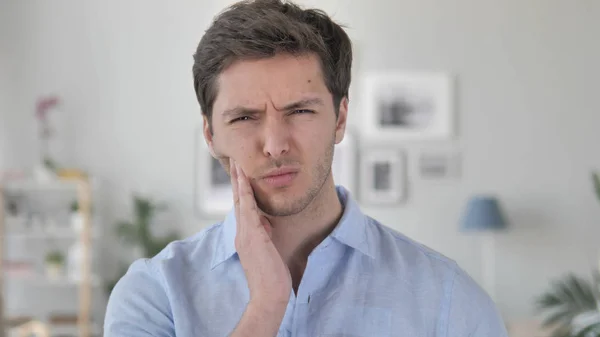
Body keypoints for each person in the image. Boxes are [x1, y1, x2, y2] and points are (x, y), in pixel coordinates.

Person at [104, 0, 508, 336]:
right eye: (244, 118)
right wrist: (266, 306)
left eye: (299, 111)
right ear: (210, 135)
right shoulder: (154, 296)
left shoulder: (449, 300)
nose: (276, 144)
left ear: (340, 118)